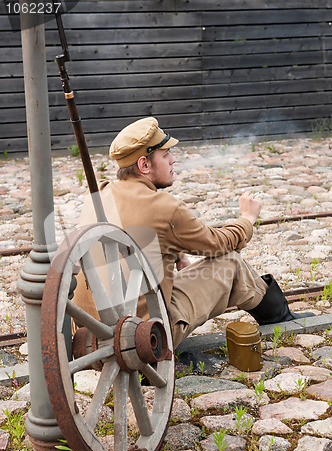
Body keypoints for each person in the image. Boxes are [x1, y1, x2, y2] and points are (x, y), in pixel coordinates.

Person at [74, 117, 312, 348]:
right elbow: (218, 243)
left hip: (91, 336)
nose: (173, 160)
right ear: (144, 165)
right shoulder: (165, 207)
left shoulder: (97, 195)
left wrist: (176, 253)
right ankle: (281, 319)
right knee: (230, 263)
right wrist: (247, 219)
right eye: (166, 155)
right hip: (143, 337)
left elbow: (133, 234)